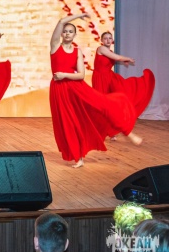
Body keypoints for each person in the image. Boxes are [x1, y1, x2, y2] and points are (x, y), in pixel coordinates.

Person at [49, 14, 141, 168]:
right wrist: (80, 15)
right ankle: (78, 157)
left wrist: (64, 75)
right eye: (65, 31)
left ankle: (128, 132)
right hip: (59, 90)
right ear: (61, 34)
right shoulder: (55, 46)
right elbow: (61, 21)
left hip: (76, 87)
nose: (67, 34)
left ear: (74, 35)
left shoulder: (77, 51)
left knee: (101, 105)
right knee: (68, 123)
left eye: (70, 31)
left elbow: (81, 75)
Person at [93, 31, 155, 120]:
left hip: (109, 77)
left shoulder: (110, 52)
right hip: (100, 77)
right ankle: (100, 123)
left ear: (112, 40)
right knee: (102, 101)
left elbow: (114, 57)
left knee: (121, 93)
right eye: (105, 38)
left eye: (110, 38)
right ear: (101, 40)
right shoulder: (101, 48)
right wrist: (128, 58)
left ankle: (111, 122)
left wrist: (123, 60)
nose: (108, 40)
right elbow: (117, 57)